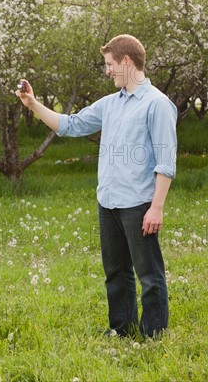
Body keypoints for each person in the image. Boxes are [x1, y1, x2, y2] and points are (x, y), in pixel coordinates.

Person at [17, 34, 177, 339]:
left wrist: (156, 208)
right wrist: (33, 104)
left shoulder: (157, 104)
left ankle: (154, 334)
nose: (107, 72)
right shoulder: (110, 104)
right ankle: (122, 329)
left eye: (110, 65)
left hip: (138, 205)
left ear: (126, 62)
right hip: (109, 203)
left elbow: (165, 162)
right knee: (116, 273)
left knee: (149, 275)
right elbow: (69, 125)